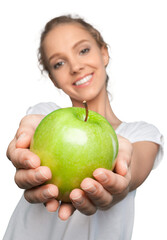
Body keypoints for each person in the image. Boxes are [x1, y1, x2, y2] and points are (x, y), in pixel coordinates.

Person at [3, 15, 164, 240]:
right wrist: (27, 143)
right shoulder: (46, 116)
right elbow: (32, 130)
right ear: (54, 79)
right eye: (59, 63)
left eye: (83, 50)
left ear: (104, 53)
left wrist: (121, 175)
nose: (76, 66)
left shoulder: (141, 134)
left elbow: (131, 170)